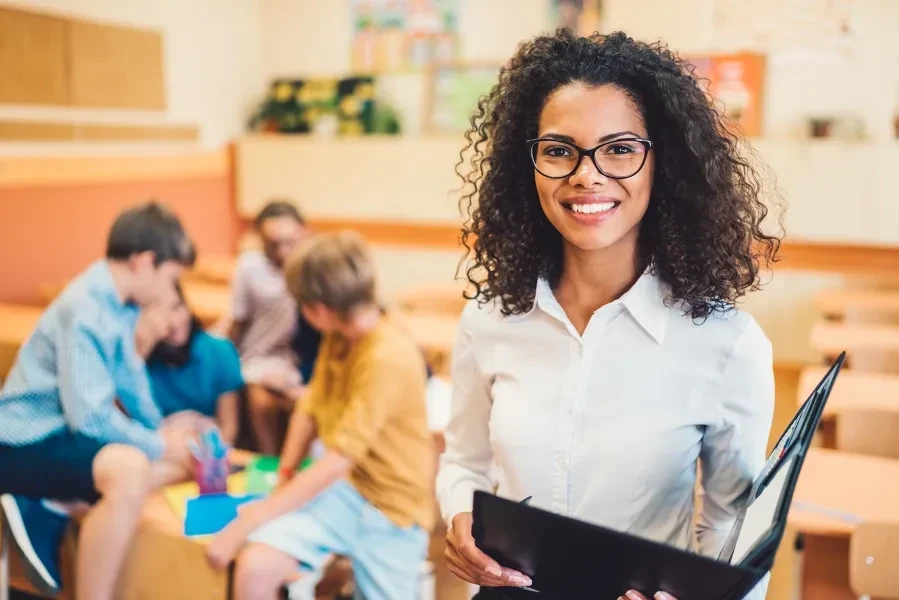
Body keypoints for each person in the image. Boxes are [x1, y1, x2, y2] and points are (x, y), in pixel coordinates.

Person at [437, 30, 782, 600]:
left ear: (661, 164)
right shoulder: (489, 320)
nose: (586, 175)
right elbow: (464, 463)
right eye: (558, 149)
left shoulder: (725, 343)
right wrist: (457, 516)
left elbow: (733, 530)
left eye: (619, 148)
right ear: (529, 163)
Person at [206, 232, 434, 600]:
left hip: (392, 510)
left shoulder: (387, 356)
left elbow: (338, 459)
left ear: (319, 309)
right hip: (345, 493)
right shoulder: (340, 335)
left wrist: (252, 517)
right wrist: (285, 472)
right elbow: (310, 408)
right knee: (256, 567)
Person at [0, 202, 202, 600]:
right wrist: (159, 443)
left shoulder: (120, 303)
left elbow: (129, 378)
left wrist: (161, 431)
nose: (169, 292)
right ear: (144, 262)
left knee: (167, 454)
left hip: (58, 434)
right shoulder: (86, 308)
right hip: (20, 440)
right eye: (170, 277)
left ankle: (50, 505)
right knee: (130, 467)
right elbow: (90, 419)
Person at [231, 200, 310, 454]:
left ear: (303, 233)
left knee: (304, 403)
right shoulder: (249, 268)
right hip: (261, 357)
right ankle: (270, 463)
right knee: (261, 402)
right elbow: (237, 321)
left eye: (291, 242)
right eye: (274, 244)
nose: (284, 251)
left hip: (301, 359)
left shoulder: (313, 267)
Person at [146, 281, 244, 445]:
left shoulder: (219, 351)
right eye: (161, 314)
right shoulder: (137, 360)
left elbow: (229, 428)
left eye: (177, 307)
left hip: (209, 450)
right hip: (158, 447)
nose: (173, 322)